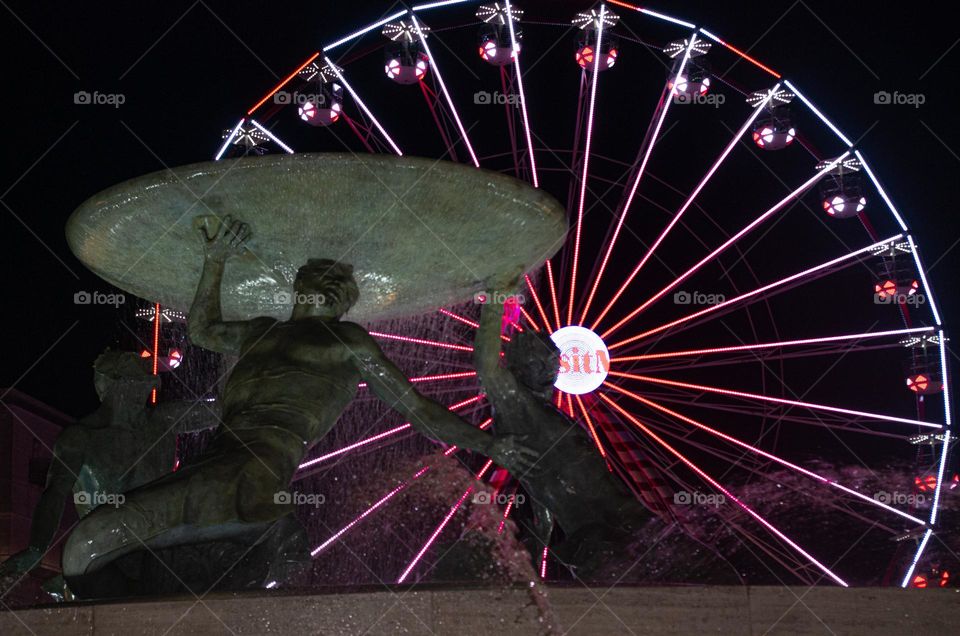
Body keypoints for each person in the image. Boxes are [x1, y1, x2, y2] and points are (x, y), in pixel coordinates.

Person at [61, 215, 537, 588]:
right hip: (215, 460)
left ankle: (265, 531)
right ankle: (263, 542)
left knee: (87, 545)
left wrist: (489, 446)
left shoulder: (347, 341)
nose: (322, 281)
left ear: (343, 298)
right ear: (297, 286)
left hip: (253, 470)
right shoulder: (260, 330)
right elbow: (204, 330)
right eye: (315, 275)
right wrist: (216, 258)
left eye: (333, 280)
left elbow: (417, 410)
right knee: (89, 550)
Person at [473, 275, 651, 573]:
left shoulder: (539, 410)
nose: (550, 373)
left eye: (554, 364)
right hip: (605, 530)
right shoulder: (517, 403)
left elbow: (541, 473)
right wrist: (493, 302)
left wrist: (542, 526)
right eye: (541, 364)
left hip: (616, 521)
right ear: (518, 366)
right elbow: (487, 366)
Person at [0, 350, 217, 594]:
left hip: (158, 543)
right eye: (133, 386)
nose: (141, 394)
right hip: (104, 546)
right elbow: (55, 492)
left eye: (145, 386)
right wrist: (36, 549)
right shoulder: (81, 438)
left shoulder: (162, 421)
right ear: (108, 387)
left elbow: (216, 413)